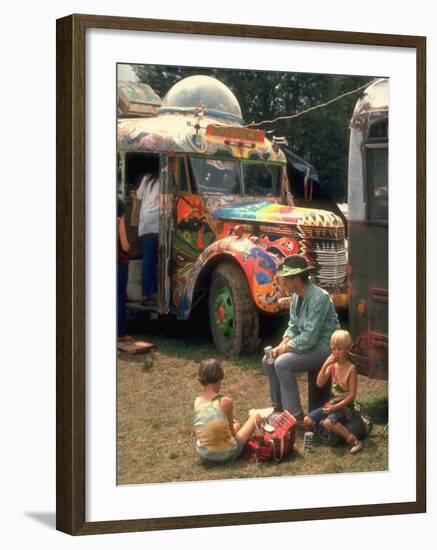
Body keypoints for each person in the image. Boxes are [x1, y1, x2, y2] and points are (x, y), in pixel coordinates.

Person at [262, 254, 340, 421]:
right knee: (268, 360)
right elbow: (293, 327)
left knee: (282, 364)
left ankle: (294, 416)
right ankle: (278, 408)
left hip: (324, 348)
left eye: (286, 279)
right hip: (308, 345)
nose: (284, 282)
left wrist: (285, 349)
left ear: (296, 280)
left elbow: (310, 338)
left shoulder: (319, 297)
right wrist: (281, 345)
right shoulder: (296, 297)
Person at [303, 330, 363, 454]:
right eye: (333, 349)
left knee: (329, 422)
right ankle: (321, 431)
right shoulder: (332, 366)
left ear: (348, 349)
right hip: (331, 405)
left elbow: (351, 395)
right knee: (307, 421)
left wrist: (334, 407)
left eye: (339, 349)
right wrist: (325, 364)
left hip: (345, 408)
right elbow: (319, 383)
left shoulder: (351, 369)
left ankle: (353, 440)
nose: (335, 352)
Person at [193, 358, 263, 464]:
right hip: (226, 455)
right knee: (255, 418)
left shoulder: (197, 401)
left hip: (204, 456)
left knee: (236, 425)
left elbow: (198, 432)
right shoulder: (225, 401)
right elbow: (232, 434)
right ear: (219, 380)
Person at [134, 160, 160, 306]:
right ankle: (148, 292)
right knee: (153, 257)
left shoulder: (146, 178)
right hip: (156, 221)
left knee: (148, 257)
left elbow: (138, 195)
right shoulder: (163, 178)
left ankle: (147, 292)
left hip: (145, 220)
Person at [117, 198, 130, 342]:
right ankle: (120, 333)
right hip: (119, 264)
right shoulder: (119, 222)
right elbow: (125, 246)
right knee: (120, 298)